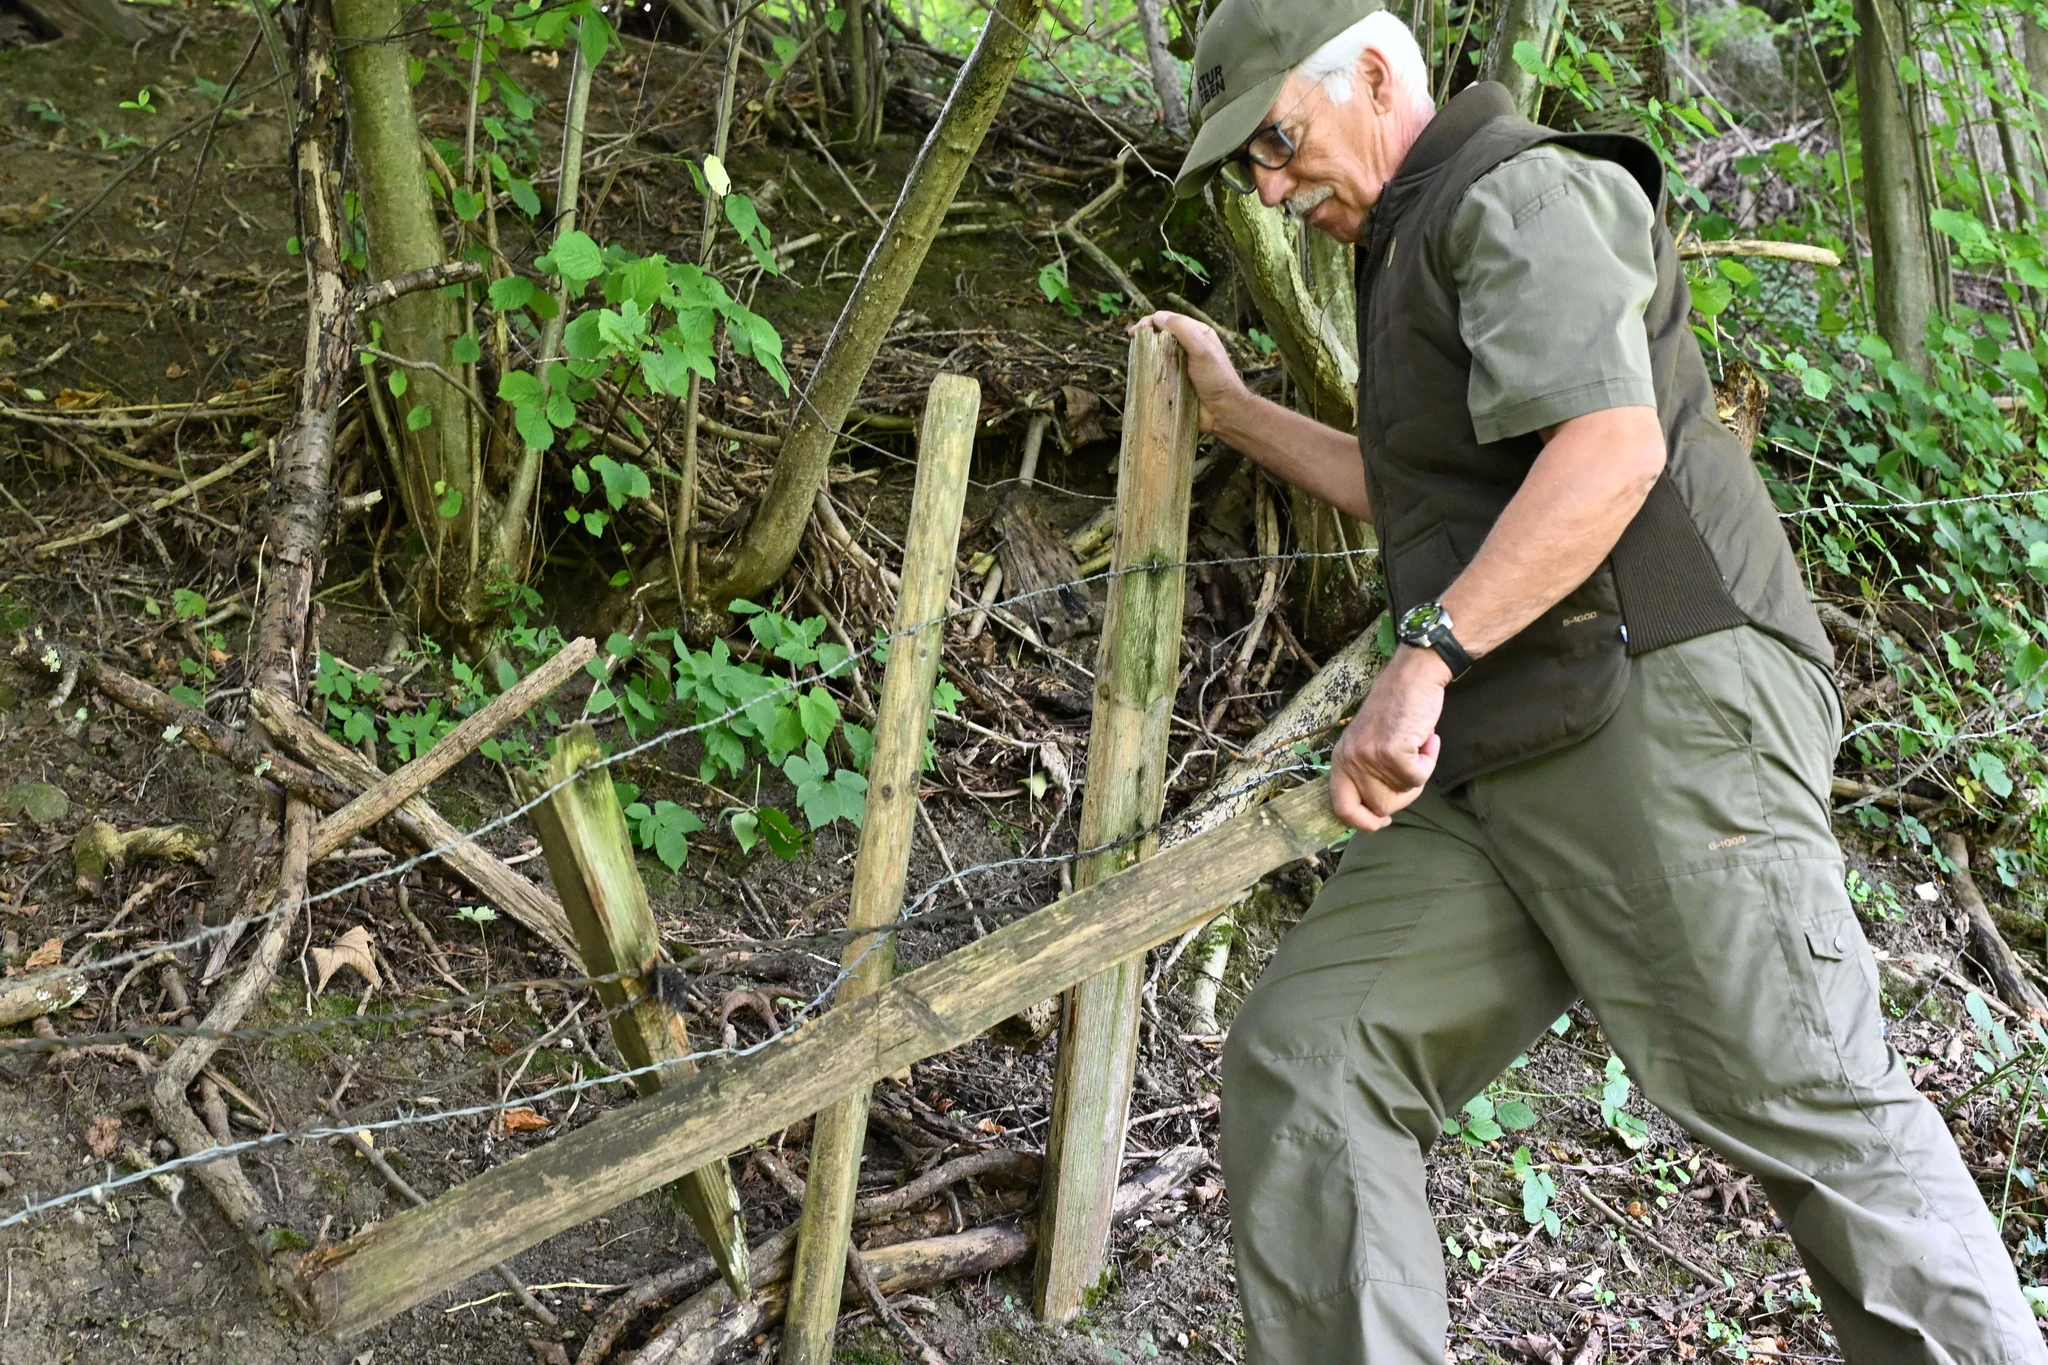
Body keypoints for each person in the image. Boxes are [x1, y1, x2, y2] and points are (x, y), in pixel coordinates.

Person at [1135, 0, 2047, 1360]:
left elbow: (1609, 456)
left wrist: (1425, 656)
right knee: (1314, 1054)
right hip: (1516, 744)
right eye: (1247, 165)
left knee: (1806, 1101)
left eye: (1274, 140)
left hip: (1662, 705)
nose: (1270, 184)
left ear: (1374, 75)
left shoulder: (1524, 190)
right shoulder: (1415, 241)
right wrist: (1231, 412)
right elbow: (1424, 498)